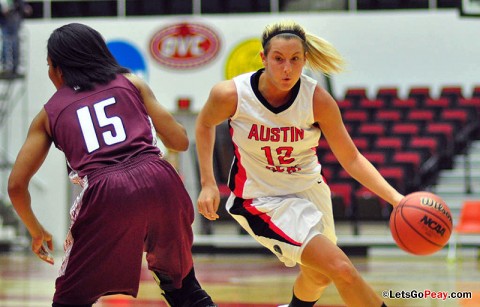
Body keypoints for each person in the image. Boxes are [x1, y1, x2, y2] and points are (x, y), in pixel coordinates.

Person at [195, 20, 404, 307]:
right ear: (264, 58)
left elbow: (352, 157)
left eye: (295, 60)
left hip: (310, 191)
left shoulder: (317, 99)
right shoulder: (232, 94)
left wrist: (396, 199)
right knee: (342, 269)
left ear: (305, 60)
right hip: (262, 198)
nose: (286, 68)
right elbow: (204, 124)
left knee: (319, 276)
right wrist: (207, 183)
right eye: (278, 59)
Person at [8, 23, 216, 307]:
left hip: (107, 191)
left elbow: (16, 186)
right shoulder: (132, 83)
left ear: (58, 68)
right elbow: (180, 141)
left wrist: (36, 230)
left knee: (70, 300)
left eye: (49, 65)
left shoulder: (48, 114)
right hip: (160, 179)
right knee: (182, 286)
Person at [0, 0, 31, 77]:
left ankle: (14, 67)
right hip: (5, 21)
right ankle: (7, 67)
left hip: (13, 20)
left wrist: (24, 7)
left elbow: (21, 4)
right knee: (6, 44)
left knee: (14, 43)